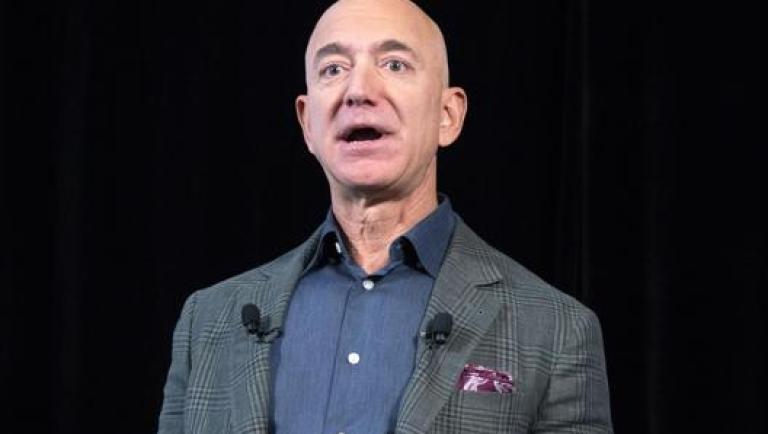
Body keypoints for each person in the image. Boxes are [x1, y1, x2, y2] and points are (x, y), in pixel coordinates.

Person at [157, 0, 613, 433]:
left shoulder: (555, 329)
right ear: (308, 124)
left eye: (394, 64)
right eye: (334, 69)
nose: (359, 91)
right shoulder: (207, 321)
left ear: (448, 115)